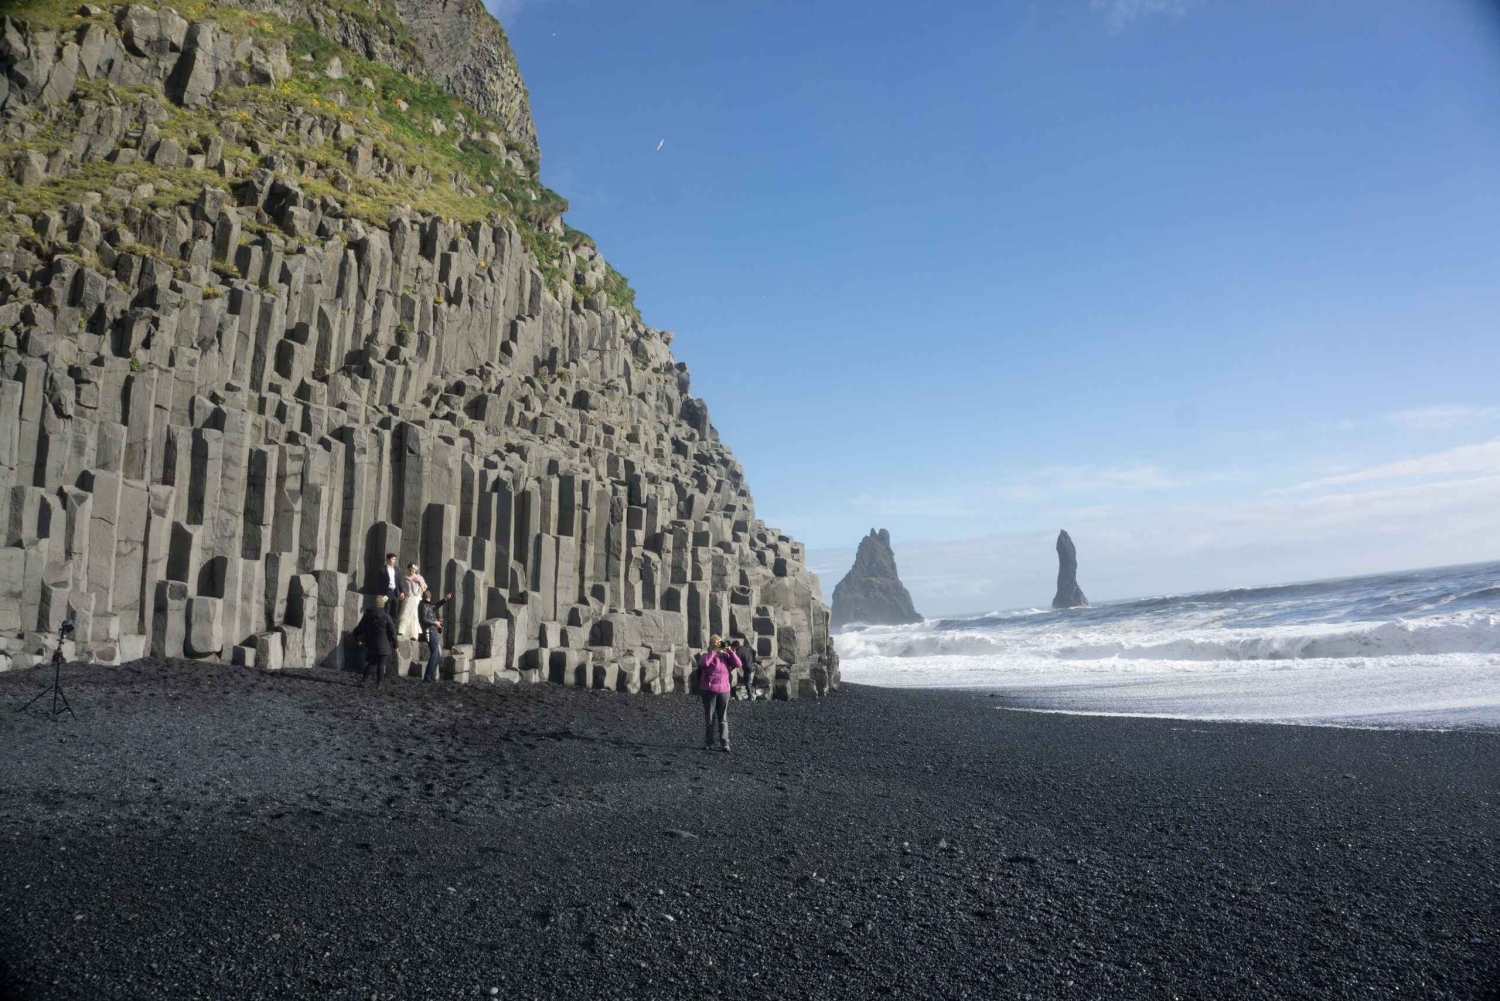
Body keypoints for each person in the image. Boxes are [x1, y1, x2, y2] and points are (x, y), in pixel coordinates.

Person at [695, 635, 742, 753]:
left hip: (724, 691)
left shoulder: (725, 657)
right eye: (717, 643)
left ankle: (725, 743)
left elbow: (738, 664)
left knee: (723, 719)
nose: (719, 644)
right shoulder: (706, 656)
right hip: (709, 690)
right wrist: (714, 651)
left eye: (720, 642)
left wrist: (730, 650)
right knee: (710, 718)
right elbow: (704, 664)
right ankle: (709, 742)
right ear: (711, 644)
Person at [356, 595, 398, 688]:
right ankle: (378, 684)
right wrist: (395, 643)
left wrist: (356, 636)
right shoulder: (386, 616)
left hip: (372, 644)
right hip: (384, 644)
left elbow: (360, 628)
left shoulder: (368, 616)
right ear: (383, 605)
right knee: (381, 665)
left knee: (372, 663)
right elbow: (392, 631)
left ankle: (363, 681)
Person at [418, 588, 454, 683]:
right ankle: (428, 676)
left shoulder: (426, 605)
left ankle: (432, 676)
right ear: (430, 597)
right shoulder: (423, 606)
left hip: (432, 631)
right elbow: (424, 619)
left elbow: (436, 606)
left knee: (437, 653)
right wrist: (435, 622)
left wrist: (445, 599)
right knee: (435, 652)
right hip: (429, 632)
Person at [397, 563, 426, 641]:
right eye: (410, 570)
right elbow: (403, 589)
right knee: (405, 613)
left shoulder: (419, 577)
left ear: (415, 570)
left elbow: (424, 590)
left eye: (413, 570)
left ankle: (414, 634)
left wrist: (420, 582)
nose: (411, 571)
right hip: (408, 597)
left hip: (416, 598)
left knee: (414, 615)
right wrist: (402, 593)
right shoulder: (405, 578)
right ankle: (401, 630)